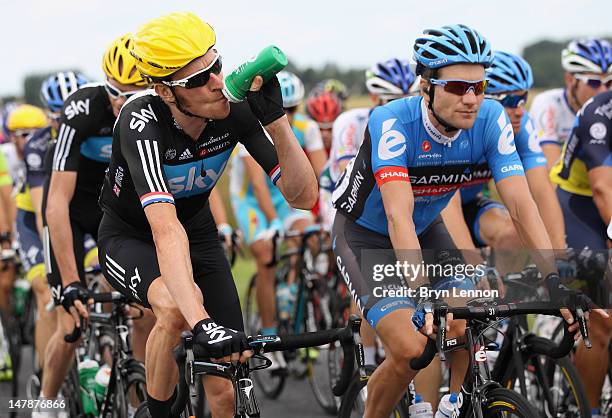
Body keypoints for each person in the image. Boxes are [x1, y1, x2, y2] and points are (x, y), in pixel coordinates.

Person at [331, 24, 585, 417]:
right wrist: (419, 292)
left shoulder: (491, 118)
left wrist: (555, 278)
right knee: (411, 350)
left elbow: (521, 204)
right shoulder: (392, 122)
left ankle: (451, 404)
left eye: (479, 87)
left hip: (427, 228)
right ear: (426, 86)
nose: (470, 99)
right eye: (455, 87)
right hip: (366, 235)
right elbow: (398, 215)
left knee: (475, 311)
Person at [97, 12, 317, 418]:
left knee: (227, 389)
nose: (217, 82)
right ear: (165, 92)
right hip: (132, 236)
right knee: (177, 307)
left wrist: (277, 121)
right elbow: (164, 229)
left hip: (197, 233)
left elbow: (303, 196)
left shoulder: (233, 110)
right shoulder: (140, 120)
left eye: (216, 66)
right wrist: (201, 323)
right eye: (198, 79)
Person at [37, 34, 149, 412]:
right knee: (73, 323)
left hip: (113, 212)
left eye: (133, 94)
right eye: (115, 92)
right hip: (70, 208)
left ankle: (136, 401)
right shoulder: (82, 109)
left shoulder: (157, 111)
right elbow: (55, 203)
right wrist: (70, 283)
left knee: (146, 313)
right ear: (104, 86)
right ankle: (44, 404)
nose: (122, 103)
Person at [229, 70, 325, 371]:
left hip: (286, 199)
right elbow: (258, 185)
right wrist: (276, 224)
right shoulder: (252, 129)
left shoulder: (305, 127)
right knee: (267, 254)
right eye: (284, 109)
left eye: (293, 109)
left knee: (308, 236)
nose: (288, 115)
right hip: (253, 202)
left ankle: (294, 295)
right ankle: (269, 336)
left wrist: (322, 214)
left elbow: (320, 173)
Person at [442, 51, 566, 251]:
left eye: (523, 99)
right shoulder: (455, 128)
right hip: (434, 209)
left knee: (512, 233)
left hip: (470, 203)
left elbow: (542, 191)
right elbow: (448, 207)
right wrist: (474, 269)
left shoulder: (522, 125)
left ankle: (509, 283)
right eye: (509, 102)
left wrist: (558, 254)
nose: (519, 111)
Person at [550, 89, 612, 417]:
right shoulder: (598, 114)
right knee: (602, 317)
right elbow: (602, 189)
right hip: (579, 206)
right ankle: (590, 408)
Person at [530, 38, 612, 170]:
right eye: (594, 82)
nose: (603, 90)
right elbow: (553, 174)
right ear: (570, 79)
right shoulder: (548, 104)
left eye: (609, 82)